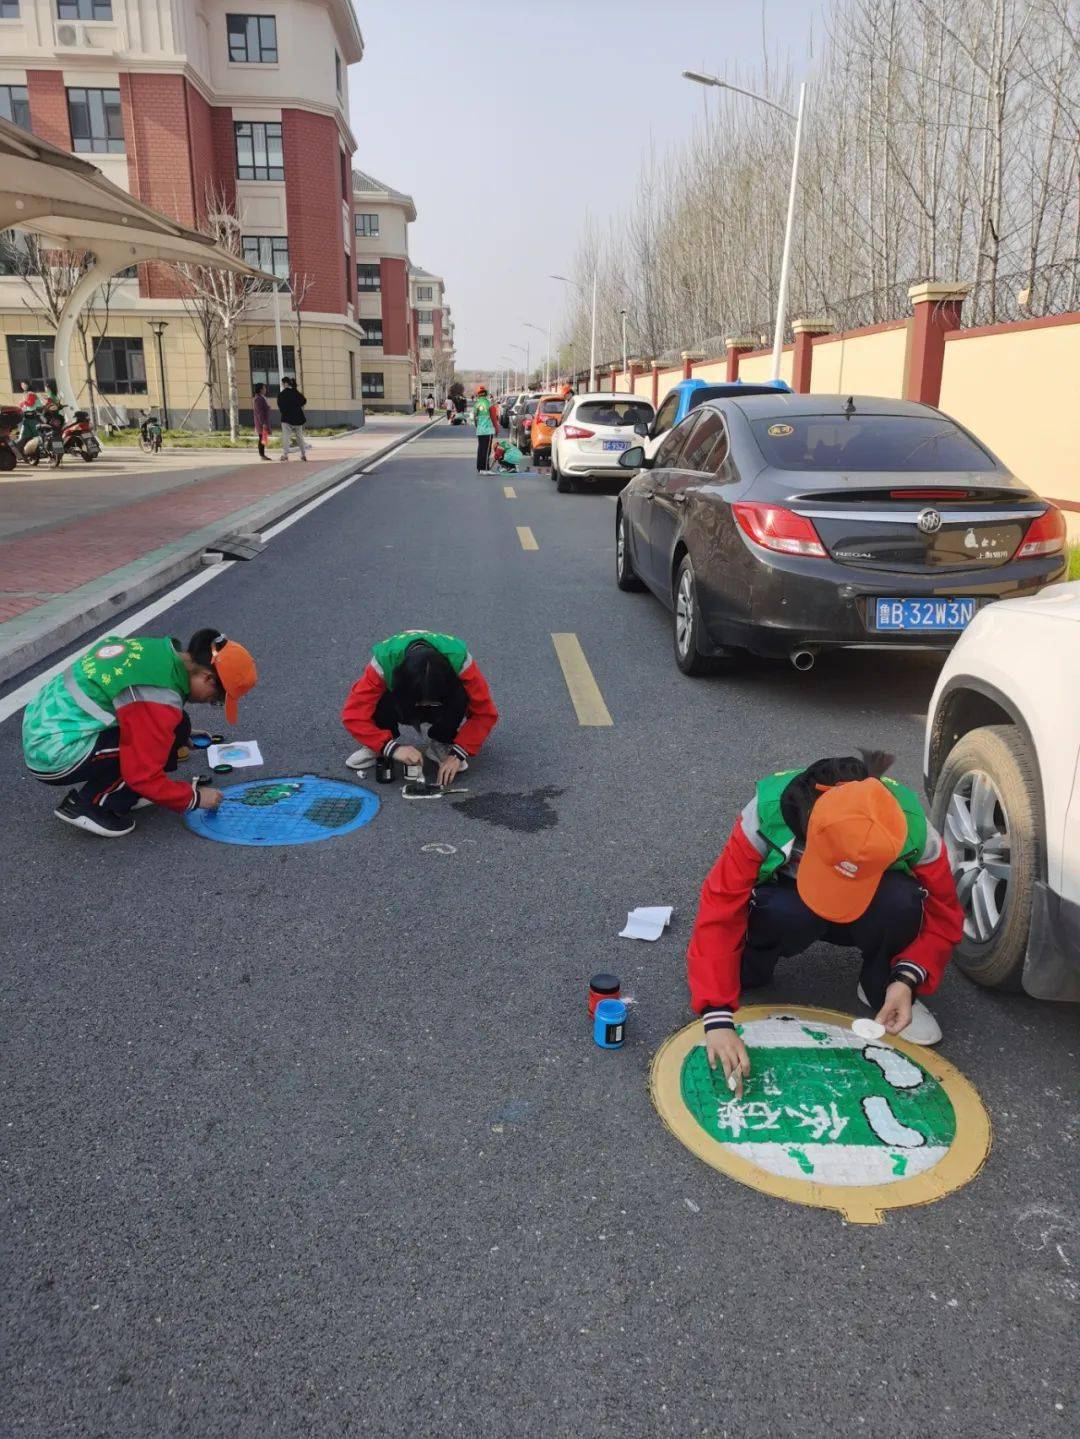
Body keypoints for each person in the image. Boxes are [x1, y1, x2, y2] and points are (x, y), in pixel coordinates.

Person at [686, 751, 964, 1095]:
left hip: (870, 900)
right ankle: (752, 966)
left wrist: (908, 977)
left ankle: (883, 988)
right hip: (790, 900)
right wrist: (716, 1013)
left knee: (903, 900)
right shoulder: (766, 814)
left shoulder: (913, 829)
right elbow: (721, 904)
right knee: (777, 918)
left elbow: (945, 915)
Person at [22, 629, 257, 838]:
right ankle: (89, 805)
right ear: (207, 677)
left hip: (46, 725)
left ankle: (120, 794)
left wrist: (176, 733)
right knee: (146, 757)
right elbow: (143, 773)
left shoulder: (159, 652)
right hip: (53, 753)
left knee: (176, 726)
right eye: (215, 700)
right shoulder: (158, 696)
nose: (208, 702)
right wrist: (194, 798)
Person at [341, 630, 498, 786]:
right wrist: (391, 748)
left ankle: (442, 742)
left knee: (463, 693)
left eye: (430, 701)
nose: (424, 706)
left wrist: (458, 753)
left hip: (443, 703)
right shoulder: (385, 659)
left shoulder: (460, 660)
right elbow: (354, 714)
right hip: (400, 702)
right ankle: (377, 745)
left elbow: (484, 713)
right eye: (420, 701)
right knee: (376, 696)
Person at [277, 375, 308, 461]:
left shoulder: (281, 394)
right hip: (298, 418)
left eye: (282, 383)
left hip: (286, 419)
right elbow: (304, 401)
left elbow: (281, 408)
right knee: (300, 437)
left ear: (284, 384)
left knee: (286, 437)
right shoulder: (296, 392)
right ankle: (303, 454)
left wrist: (286, 412)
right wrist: (297, 406)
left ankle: (285, 455)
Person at [472, 386, 500, 472]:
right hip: (488, 430)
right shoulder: (489, 404)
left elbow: (474, 418)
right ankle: (485, 468)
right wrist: (496, 429)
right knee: (487, 450)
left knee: (481, 448)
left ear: (478, 395)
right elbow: (494, 419)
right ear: (486, 394)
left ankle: (479, 467)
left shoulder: (476, 404)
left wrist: (478, 427)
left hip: (480, 430)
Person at [253, 381, 273, 460]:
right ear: (260, 389)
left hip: (263, 422)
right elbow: (259, 412)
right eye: (264, 388)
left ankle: (262, 455)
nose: (265, 389)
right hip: (261, 422)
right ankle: (262, 455)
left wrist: (267, 408)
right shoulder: (258, 399)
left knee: (263, 438)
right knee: (262, 438)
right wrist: (263, 423)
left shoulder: (261, 397)